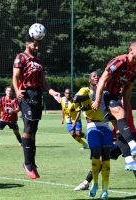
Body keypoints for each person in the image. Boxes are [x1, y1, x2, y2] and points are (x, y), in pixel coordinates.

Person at [12, 23, 61, 179]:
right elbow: (15, 77)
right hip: (26, 94)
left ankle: (32, 162)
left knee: (34, 128)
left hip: (37, 94)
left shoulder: (39, 61)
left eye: (39, 44)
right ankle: (27, 163)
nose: (37, 46)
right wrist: (17, 90)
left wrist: (53, 92)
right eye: (35, 43)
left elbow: (43, 82)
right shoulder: (21, 57)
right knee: (27, 127)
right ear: (27, 43)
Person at [74, 93, 136, 191]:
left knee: (133, 161)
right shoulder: (114, 101)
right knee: (103, 160)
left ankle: (86, 183)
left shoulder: (119, 102)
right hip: (117, 138)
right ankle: (86, 183)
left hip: (127, 136)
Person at [91, 39, 136, 170]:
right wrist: (97, 100)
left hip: (114, 96)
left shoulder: (134, 68)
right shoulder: (120, 61)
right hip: (104, 93)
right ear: (131, 50)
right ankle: (133, 145)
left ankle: (128, 160)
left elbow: (128, 89)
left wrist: (126, 108)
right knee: (120, 114)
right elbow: (103, 79)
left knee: (119, 130)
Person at [73, 71, 113, 199]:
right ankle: (94, 183)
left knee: (106, 157)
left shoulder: (104, 92)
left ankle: (105, 190)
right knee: (96, 152)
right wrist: (92, 95)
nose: (96, 78)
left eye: (98, 76)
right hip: (92, 127)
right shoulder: (85, 90)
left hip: (105, 127)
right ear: (89, 80)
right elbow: (75, 99)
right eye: (93, 76)